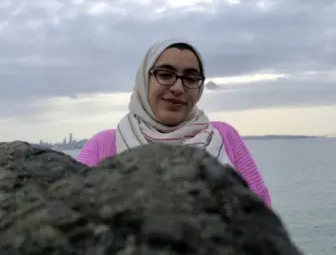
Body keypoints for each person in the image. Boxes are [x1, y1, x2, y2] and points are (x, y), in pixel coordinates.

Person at [76, 38, 271, 206]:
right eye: (165, 74)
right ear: (145, 79)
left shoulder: (223, 136)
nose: (178, 87)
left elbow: (262, 214)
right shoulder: (104, 145)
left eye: (191, 78)